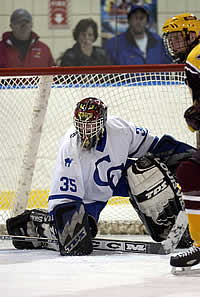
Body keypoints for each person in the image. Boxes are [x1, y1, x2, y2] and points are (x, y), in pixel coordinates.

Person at [6, 97, 196, 256]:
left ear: (103, 121)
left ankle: (171, 229)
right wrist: (73, 227)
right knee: (76, 244)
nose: (86, 131)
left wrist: (190, 156)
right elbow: (65, 197)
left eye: (91, 125)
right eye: (82, 125)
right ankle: (41, 226)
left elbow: (156, 147)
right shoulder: (70, 147)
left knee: (147, 171)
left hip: (115, 181)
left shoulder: (120, 129)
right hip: (85, 197)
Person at [162, 13, 200, 271]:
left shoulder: (195, 58)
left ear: (192, 34)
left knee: (189, 171)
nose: (173, 43)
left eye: (177, 37)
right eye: (171, 39)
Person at [103, 4, 171, 65]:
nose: (138, 22)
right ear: (129, 21)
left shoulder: (160, 43)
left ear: (147, 21)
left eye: (141, 18)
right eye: (135, 17)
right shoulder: (114, 44)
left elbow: (168, 69)